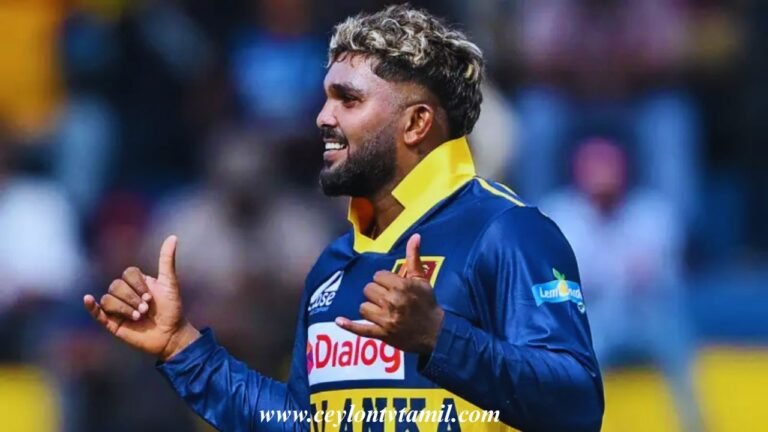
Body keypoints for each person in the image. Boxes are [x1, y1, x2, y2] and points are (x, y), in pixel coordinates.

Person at [83, 5, 604, 431]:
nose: (322, 117)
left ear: (417, 123)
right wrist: (182, 347)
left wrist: (440, 338)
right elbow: (301, 423)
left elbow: (577, 405)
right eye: (326, 97)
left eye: (348, 100)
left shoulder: (506, 231)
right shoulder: (335, 262)